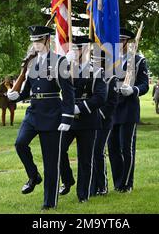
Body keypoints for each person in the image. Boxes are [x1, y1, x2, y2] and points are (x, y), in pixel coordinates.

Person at [7, 26, 74, 211]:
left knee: (51, 161)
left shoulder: (60, 61)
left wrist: (67, 118)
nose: (35, 44)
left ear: (47, 40)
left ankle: (49, 202)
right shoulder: (32, 63)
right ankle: (34, 176)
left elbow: (68, 93)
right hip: (33, 112)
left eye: (38, 41)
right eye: (33, 41)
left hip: (53, 114)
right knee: (20, 144)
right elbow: (27, 90)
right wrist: (17, 96)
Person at [59, 36, 107, 203]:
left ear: (86, 50)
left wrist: (80, 107)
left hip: (88, 119)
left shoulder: (97, 71)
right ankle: (67, 179)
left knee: (85, 159)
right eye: (73, 49)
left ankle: (83, 195)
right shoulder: (65, 69)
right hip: (68, 119)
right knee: (58, 150)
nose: (74, 51)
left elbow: (101, 97)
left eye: (78, 48)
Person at [108, 27, 149, 193]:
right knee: (113, 148)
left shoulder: (138, 61)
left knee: (127, 147)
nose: (118, 44)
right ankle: (118, 183)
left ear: (128, 42)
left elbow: (145, 85)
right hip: (112, 109)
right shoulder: (111, 60)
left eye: (122, 41)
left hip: (128, 109)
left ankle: (127, 183)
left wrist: (134, 90)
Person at [90, 51, 119, 196]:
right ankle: (92, 186)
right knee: (89, 153)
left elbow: (112, 102)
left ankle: (102, 186)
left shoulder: (111, 78)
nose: (94, 63)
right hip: (90, 120)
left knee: (98, 151)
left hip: (104, 121)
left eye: (96, 60)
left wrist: (99, 114)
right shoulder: (91, 76)